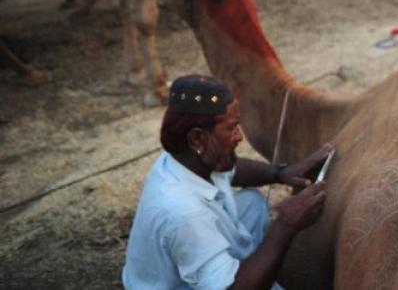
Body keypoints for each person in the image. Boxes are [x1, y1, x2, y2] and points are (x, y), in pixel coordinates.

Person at [123, 74, 332, 289]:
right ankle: (244, 272)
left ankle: (244, 266)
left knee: (251, 202)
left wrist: (281, 173)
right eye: (231, 127)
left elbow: (233, 169)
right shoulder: (185, 215)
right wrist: (285, 225)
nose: (239, 136)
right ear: (197, 138)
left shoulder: (186, 156)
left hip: (190, 246)